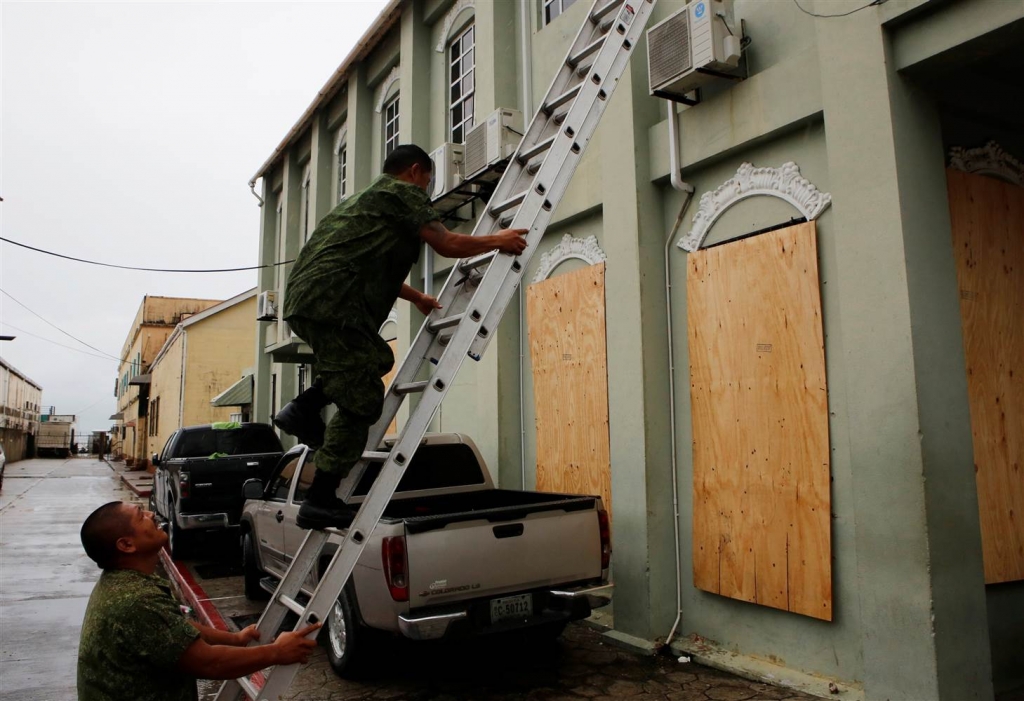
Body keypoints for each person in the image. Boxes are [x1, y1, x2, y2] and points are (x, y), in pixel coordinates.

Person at [275, 143, 527, 530]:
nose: (426, 190)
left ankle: (303, 407)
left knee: (376, 359)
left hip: (314, 298)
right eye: (427, 180)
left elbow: (364, 262)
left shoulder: (367, 200)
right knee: (362, 400)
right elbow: (446, 244)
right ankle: (320, 499)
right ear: (414, 171)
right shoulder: (403, 193)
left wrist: (417, 297)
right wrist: (499, 240)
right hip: (333, 303)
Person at [77, 501, 320, 701]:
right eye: (141, 515)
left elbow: (177, 629)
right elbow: (209, 663)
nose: (152, 514)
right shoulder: (135, 601)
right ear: (126, 545)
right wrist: (277, 652)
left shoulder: (126, 583)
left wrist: (235, 639)